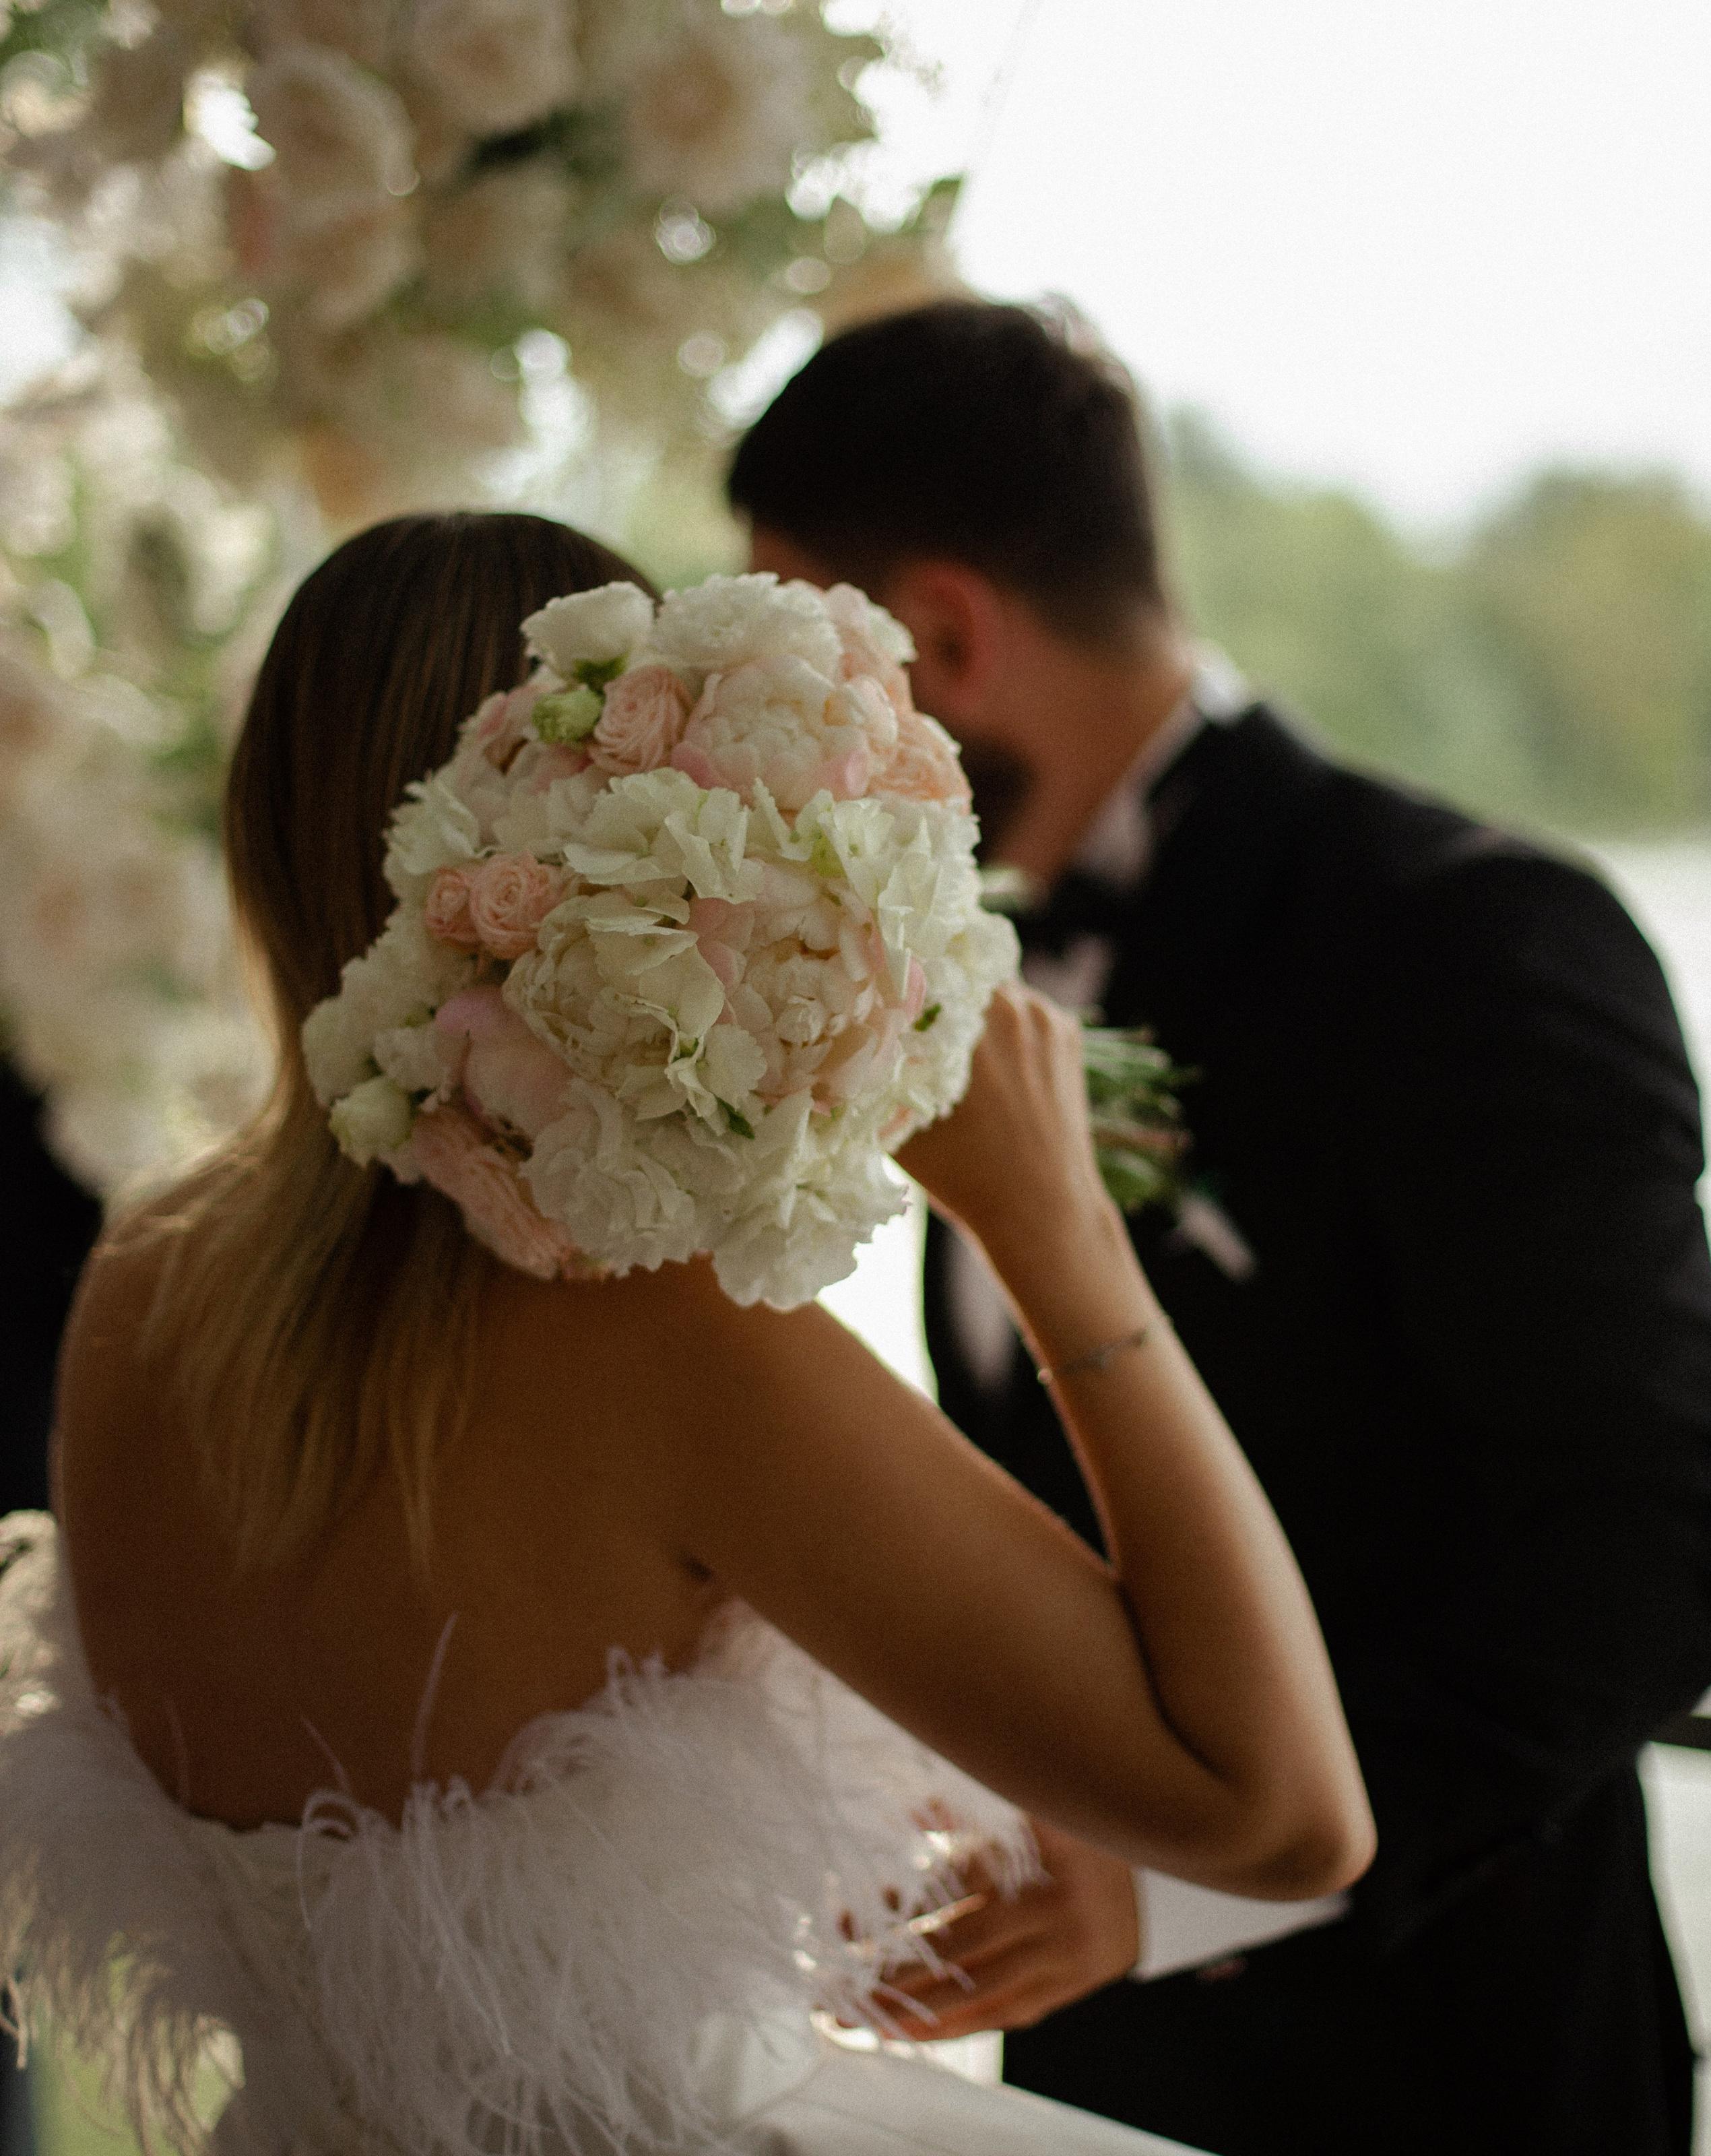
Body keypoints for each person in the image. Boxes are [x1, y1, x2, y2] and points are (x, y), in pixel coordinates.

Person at [0, 511, 1373, 2156]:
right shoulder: (643, 1330)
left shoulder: (142, 1278)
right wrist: (1054, 1234)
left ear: (258, 835)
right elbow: (1282, 1817)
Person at [728, 298, 1711, 2155]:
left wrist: (1183, 1891)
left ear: (941, 631)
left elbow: (1655, 1557)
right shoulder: (953, 957)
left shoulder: (1477, 942)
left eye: (808, 675)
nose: (793, 765)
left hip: (1452, 2072)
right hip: (1103, 2081)